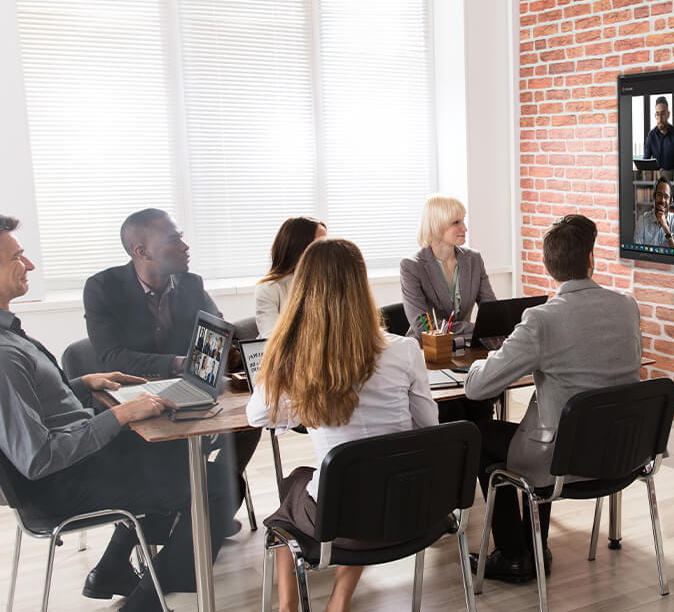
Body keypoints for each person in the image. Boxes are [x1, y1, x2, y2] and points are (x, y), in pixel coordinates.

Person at [0, 214, 235, 612]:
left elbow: (14, 410)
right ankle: (145, 603)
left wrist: (80, 384)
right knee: (214, 486)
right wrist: (122, 415)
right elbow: (38, 457)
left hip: (65, 469)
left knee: (189, 456)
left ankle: (113, 568)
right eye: (17, 257)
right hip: (62, 484)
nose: (30, 265)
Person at [247, 238, 438, 612]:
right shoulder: (404, 349)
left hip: (342, 522)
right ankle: (339, 600)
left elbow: (257, 416)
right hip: (410, 507)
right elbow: (428, 427)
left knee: (294, 486)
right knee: (364, 480)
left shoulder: (293, 357)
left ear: (303, 290)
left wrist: (302, 402)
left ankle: (287, 605)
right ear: (362, 284)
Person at [465, 214, 642, 583]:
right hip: (622, 452)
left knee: (479, 435)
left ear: (548, 267)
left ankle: (515, 555)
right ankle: (533, 546)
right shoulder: (627, 306)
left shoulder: (541, 321)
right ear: (591, 259)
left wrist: (483, 360)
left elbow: (477, 389)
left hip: (564, 460)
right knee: (547, 425)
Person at [83, 208, 260, 519]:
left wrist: (227, 347)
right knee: (165, 447)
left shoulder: (190, 284)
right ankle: (187, 511)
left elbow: (216, 327)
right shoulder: (102, 288)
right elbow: (112, 357)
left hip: (188, 391)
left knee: (251, 421)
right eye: (173, 239)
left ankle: (207, 508)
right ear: (142, 251)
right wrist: (180, 363)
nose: (185, 246)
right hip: (134, 400)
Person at [400, 194, 495, 338]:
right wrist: (473, 327)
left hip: (465, 344)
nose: (464, 228)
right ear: (436, 225)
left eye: (463, 220)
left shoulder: (473, 259)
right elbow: (422, 326)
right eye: (456, 222)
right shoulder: (411, 266)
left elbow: (491, 310)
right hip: (427, 348)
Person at [256, 217, 327, 338]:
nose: (327, 251)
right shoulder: (269, 288)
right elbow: (271, 338)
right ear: (298, 249)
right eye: (320, 245)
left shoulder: (327, 281)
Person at [633, 176, 674, 248]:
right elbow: (637, 251)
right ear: (654, 197)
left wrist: (666, 228)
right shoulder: (642, 220)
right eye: (659, 195)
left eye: (666, 197)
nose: (662, 200)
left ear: (671, 201)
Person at [642, 96, 674, 170]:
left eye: (663, 114)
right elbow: (645, 160)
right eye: (657, 114)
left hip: (672, 178)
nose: (660, 118)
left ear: (668, 114)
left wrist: (667, 172)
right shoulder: (651, 135)